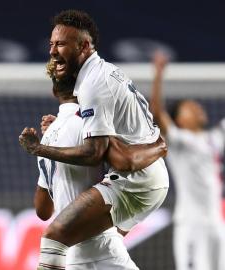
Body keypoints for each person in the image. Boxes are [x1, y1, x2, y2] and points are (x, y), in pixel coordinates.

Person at [19, 10, 169, 270]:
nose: (53, 52)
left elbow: (99, 155)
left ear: (84, 46)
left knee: (55, 237)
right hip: (94, 245)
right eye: (51, 44)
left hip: (138, 179)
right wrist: (158, 144)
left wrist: (40, 148)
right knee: (93, 237)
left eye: (61, 44)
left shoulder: (91, 89)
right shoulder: (99, 79)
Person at [150, 52, 225, 270]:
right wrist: (159, 73)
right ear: (179, 120)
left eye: (197, 105)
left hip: (216, 224)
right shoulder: (178, 141)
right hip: (191, 225)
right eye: (190, 107)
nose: (197, 108)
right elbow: (157, 112)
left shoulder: (214, 138)